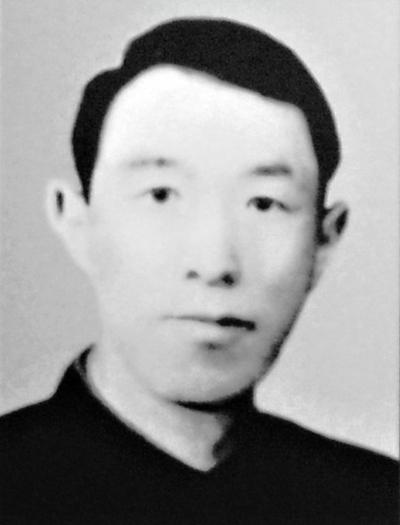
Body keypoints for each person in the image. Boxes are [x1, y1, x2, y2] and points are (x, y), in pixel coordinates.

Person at [1, 18, 398, 525]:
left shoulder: (377, 502)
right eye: (161, 195)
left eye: (265, 203)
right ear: (76, 221)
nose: (214, 265)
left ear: (325, 241)